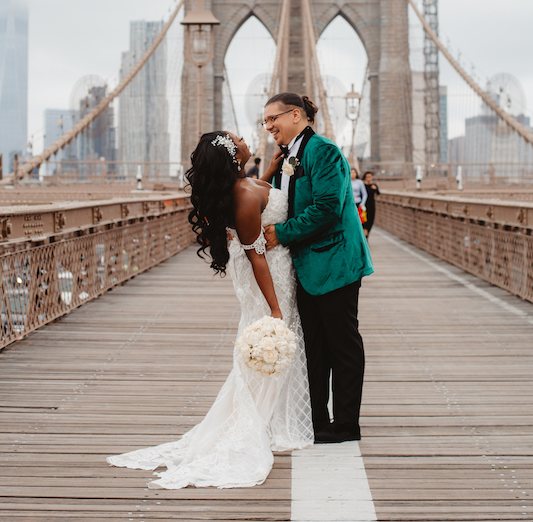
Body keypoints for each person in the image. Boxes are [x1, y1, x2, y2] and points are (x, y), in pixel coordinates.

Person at [107, 131, 313, 489]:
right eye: (239, 138)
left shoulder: (245, 186)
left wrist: (270, 174)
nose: (247, 138)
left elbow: (254, 204)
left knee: (269, 338)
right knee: (276, 333)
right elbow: (255, 252)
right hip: (271, 273)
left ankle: (274, 415)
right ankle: (269, 422)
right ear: (233, 155)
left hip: (270, 264)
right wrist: (275, 307)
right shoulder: (246, 194)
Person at [263, 93, 374, 443]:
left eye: (272, 119)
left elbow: (327, 207)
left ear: (296, 115)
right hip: (308, 265)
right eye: (264, 122)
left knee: (342, 344)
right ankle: (318, 421)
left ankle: (345, 424)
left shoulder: (323, 151)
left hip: (336, 262)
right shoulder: (289, 156)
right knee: (314, 347)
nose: (268, 127)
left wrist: (281, 233)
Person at [362, 170, 380, 238]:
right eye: (367, 177)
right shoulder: (363, 185)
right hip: (364, 205)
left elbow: (378, 193)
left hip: (372, 205)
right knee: (364, 220)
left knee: (371, 220)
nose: (368, 178)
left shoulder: (374, 185)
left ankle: (367, 235)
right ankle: (365, 235)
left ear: (372, 177)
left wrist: (375, 189)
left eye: (370, 177)